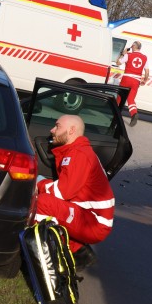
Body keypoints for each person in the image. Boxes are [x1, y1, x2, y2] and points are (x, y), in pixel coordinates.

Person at [34, 114, 115, 270]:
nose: (52, 130)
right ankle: (78, 253)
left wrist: (39, 183)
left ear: (71, 130)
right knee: (50, 202)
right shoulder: (75, 152)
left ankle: (43, 256)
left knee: (43, 203)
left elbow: (61, 193)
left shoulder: (79, 154)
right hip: (89, 217)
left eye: (57, 126)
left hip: (93, 222)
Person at [116, 41, 149, 126]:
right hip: (136, 81)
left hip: (126, 79)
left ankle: (115, 114)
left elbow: (118, 63)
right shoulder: (144, 58)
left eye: (132, 45)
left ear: (134, 46)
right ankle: (134, 114)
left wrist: (123, 54)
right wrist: (144, 80)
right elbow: (147, 71)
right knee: (131, 99)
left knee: (120, 97)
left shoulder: (128, 55)